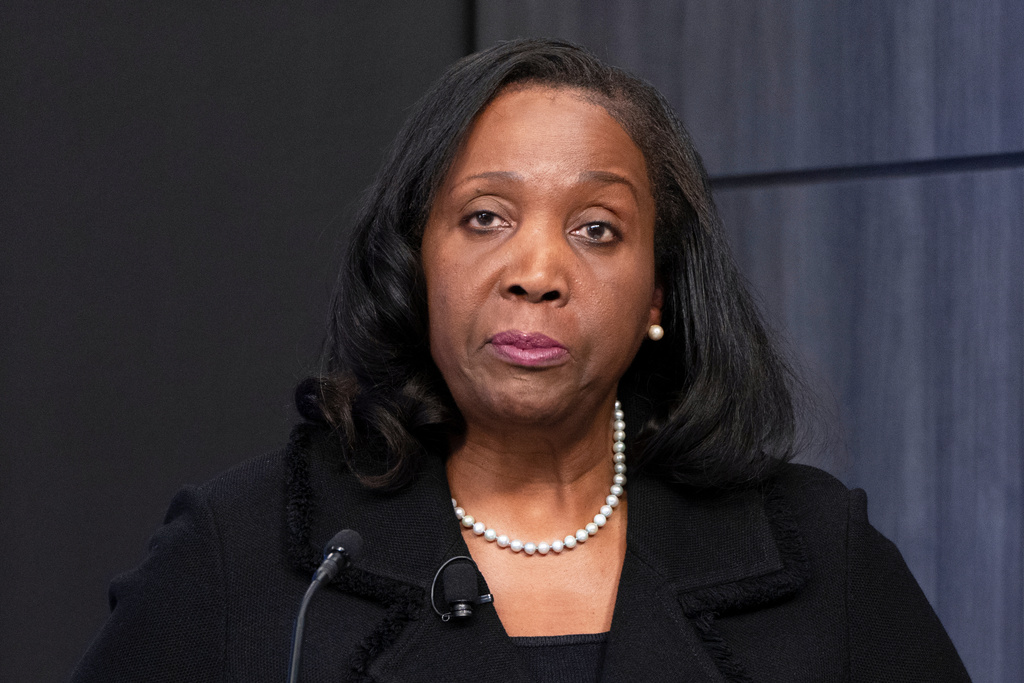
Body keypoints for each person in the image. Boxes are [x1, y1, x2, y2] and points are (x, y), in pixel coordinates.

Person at [71, 39, 969, 682]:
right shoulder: (244, 552)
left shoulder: (821, 550)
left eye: (597, 230)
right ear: (414, 266)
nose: (536, 274)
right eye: (485, 218)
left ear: (658, 293)